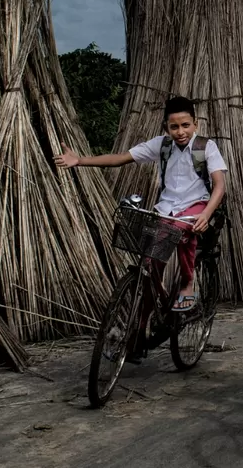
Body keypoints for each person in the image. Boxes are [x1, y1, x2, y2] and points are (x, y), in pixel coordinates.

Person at [55, 95, 226, 312]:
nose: (180, 132)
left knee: (183, 229)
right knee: (151, 259)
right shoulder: (161, 145)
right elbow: (120, 158)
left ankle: (187, 283)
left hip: (197, 205)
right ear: (166, 127)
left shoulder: (206, 146)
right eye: (174, 127)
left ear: (195, 124)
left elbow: (219, 185)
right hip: (167, 208)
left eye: (185, 125)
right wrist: (80, 161)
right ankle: (147, 316)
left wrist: (206, 214)